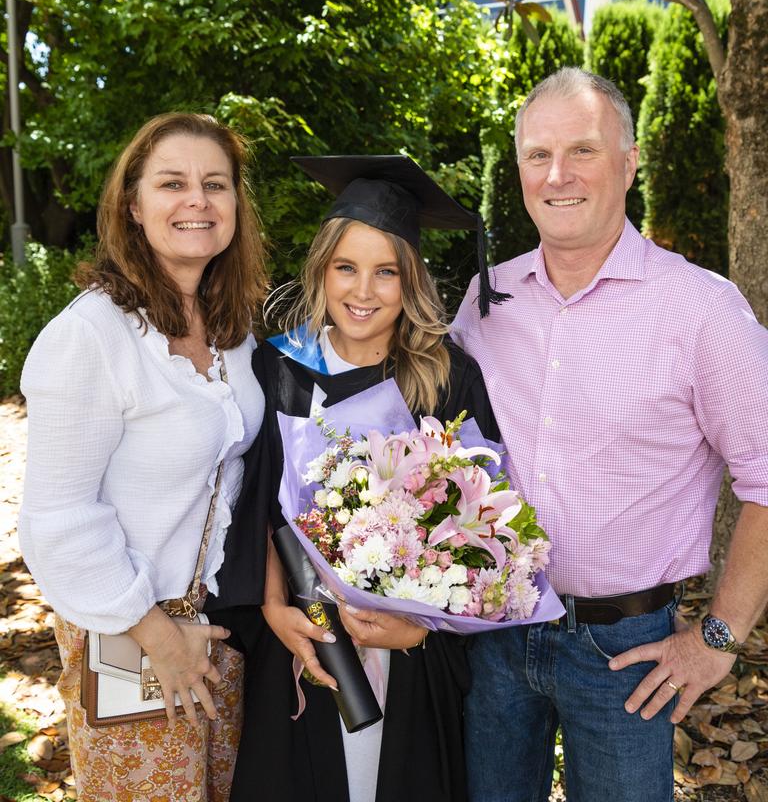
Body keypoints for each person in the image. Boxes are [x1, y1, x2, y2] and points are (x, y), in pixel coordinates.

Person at [451, 67, 768, 802]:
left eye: (583, 151)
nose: (557, 175)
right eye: (537, 154)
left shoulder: (703, 310)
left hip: (628, 653)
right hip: (493, 634)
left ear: (628, 164)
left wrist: (718, 639)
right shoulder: (485, 300)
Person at [206, 155, 502, 802]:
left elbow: (482, 534)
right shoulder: (277, 367)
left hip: (409, 657)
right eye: (346, 267)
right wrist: (272, 607)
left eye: (386, 272)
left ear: (411, 280)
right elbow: (257, 503)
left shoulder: (447, 377)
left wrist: (421, 628)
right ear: (321, 270)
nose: (362, 291)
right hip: (300, 641)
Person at [19, 112, 269, 802]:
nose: (198, 201)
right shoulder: (92, 337)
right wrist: (157, 634)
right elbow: (58, 519)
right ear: (133, 206)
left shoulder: (234, 332)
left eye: (215, 184)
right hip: (127, 633)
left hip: (216, 633)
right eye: (173, 183)